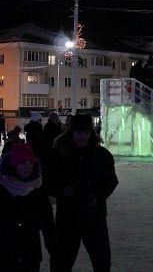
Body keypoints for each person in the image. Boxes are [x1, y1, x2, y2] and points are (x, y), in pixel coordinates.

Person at [45, 114, 118, 272]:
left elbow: (111, 181)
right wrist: (62, 190)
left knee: (101, 260)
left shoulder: (102, 155)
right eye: (79, 133)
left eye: (86, 133)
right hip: (68, 217)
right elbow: (48, 181)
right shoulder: (57, 154)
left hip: (94, 216)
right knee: (61, 261)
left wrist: (98, 195)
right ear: (71, 133)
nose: (83, 137)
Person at [0, 143, 55, 271]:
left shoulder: (37, 187)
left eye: (30, 162)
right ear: (14, 164)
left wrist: (53, 246)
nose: (27, 166)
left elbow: (47, 218)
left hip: (31, 251)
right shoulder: (3, 186)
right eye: (22, 162)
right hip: (6, 251)